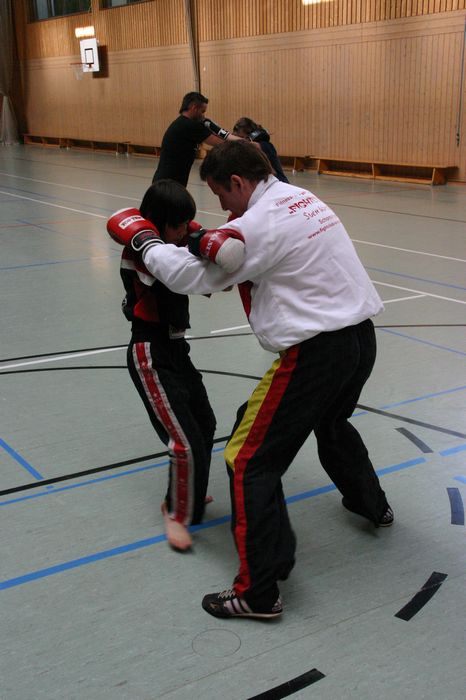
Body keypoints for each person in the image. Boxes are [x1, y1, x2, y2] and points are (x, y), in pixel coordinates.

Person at [107, 141, 393, 620]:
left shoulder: (257, 225)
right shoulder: (301, 197)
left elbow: (190, 278)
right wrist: (203, 237)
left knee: (246, 459)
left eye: (222, 194)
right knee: (330, 422)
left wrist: (145, 240)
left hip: (315, 353)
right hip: (361, 339)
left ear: (238, 182)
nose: (223, 207)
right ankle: (373, 505)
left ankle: (257, 592)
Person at [110, 180, 219, 552]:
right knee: (184, 441)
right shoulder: (144, 252)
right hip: (149, 353)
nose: (183, 231)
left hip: (175, 349)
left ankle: (185, 493)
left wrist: (197, 236)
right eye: (178, 225)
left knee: (204, 423)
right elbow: (191, 277)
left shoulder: (169, 243)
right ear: (157, 223)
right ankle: (175, 513)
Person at [152, 91, 244, 187]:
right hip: (168, 183)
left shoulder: (181, 122)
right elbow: (221, 142)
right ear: (194, 108)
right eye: (202, 111)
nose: (203, 116)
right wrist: (245, 143)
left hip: (170, 181)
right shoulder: (189, 126)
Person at [232, 117, 289, 183]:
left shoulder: (266, 146)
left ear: (251, 136)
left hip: (279, 184)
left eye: (241, 137)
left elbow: (247, 144)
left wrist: (225, 135)